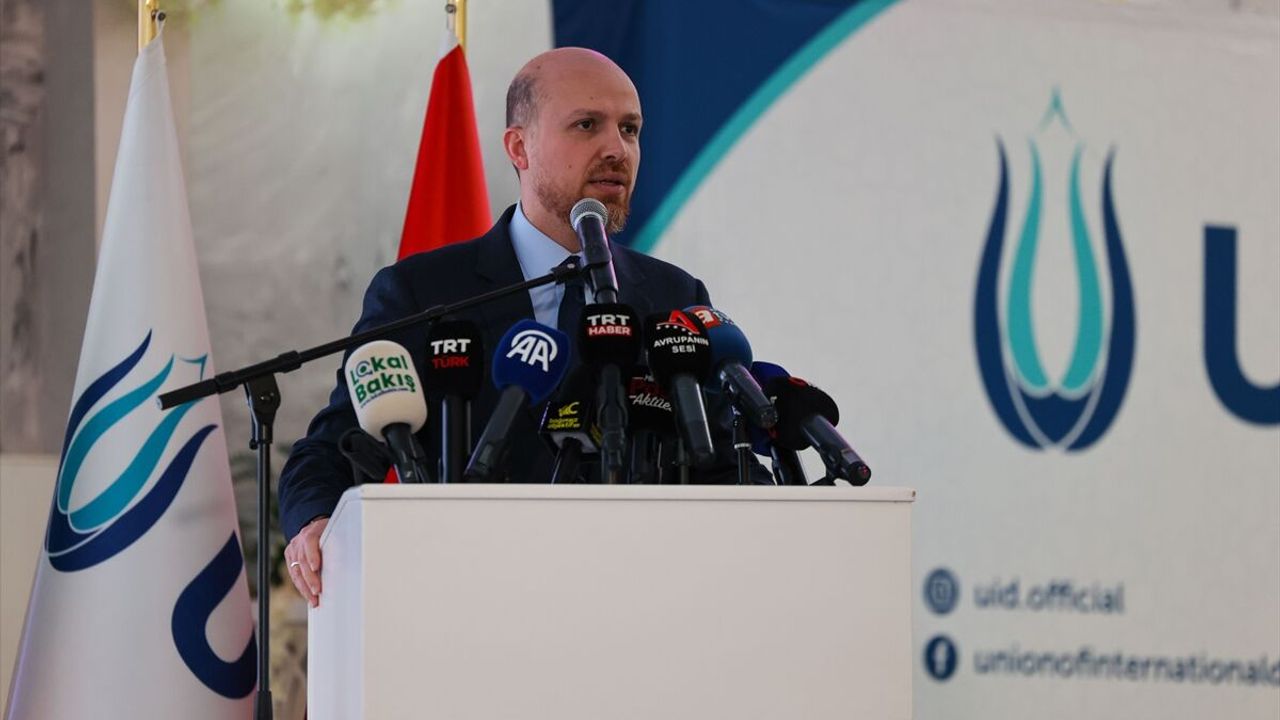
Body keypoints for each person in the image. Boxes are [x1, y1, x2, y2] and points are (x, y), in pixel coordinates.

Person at [278, 48, 769, 608]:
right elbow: (335, 448)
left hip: (639, 603)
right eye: (587, 125)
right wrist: (317, 522)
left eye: (630, 129)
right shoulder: (425, 292)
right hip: (469, 602)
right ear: (519, 147)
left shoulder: (674, 297)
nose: (617, 149)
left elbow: (722, 463)